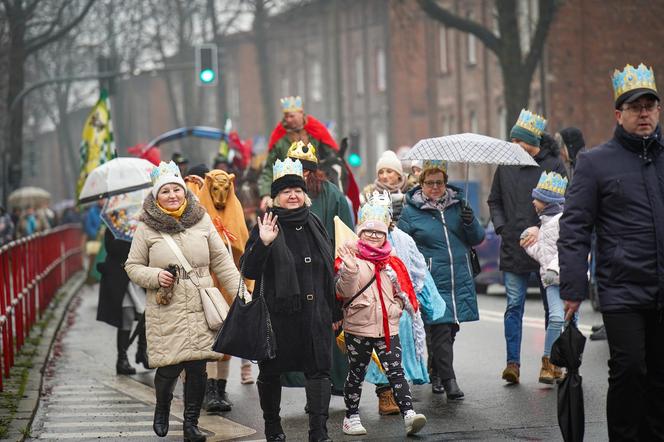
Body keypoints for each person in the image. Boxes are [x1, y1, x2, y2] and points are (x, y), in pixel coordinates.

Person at [559, 62, 664, 440]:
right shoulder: (595, 163)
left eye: (650, 106)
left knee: (658, 374)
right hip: (622, 288)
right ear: (619, 115)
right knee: (630, 368)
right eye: (635, 108)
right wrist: (572, 287)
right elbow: (574, 228)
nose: (644, 114)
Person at [125, 161, 243, 441]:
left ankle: (191, 423)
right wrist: (155, 276)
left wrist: (242, 293)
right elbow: (132, 266)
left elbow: (223, 262)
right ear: (156, 196)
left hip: (202, 303)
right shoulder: (146, 227)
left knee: (198, 367)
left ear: (185, 191)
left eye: (176, 190)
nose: (172, 195)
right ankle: (162, 408)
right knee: (169, 367)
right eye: (165, 191)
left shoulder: (201, 219)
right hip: (168, 306)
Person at [242, 157, 338, 442]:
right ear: (276, 197)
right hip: (278, 316)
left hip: (315, 315)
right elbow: (248, 269)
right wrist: (264, 243)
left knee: (319, 371)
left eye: (297, 190)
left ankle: (318, 433)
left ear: (304, 193)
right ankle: (273, 428)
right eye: (285, 191)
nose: (292, 195)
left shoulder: (315, 223)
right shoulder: (266, 224)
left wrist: (334, 312)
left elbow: (327, 271)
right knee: (271, 373)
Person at [336, 196, 427, 436]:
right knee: (356, 373)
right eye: (369, 232)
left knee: (396, 371)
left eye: (379, 232)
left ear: (386, 234)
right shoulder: (350, 256)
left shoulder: (393, 260)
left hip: (388, 326)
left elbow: (403, 291)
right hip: (358, 327)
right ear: (360, 232)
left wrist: (396, 306)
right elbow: (342, 293)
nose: (374, 236)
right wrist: (349, 270)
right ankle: (351, 416)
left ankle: (408, 414)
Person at [488, 109, 567, 384]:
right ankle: (513, 363)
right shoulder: (505, 165)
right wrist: (502, 227)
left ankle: (551, 362)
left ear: (533, 142)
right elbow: (494, 201)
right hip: (513, 245)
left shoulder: (554, 164)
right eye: (512, 141)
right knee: (514, 305)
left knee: (552, 308)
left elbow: (564, 203)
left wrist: (539, 226)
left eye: (520, 142)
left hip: (547, 248)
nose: (515, 147)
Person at [399, 160, 485, 399]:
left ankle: (436, 370)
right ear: (422, 183)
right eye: (429, 183)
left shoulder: (460, 205)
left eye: (439, 182)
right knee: (440, 329)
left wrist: (470, 221)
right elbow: (403, 245)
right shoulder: (410, 211)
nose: (435, 187)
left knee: (451, 328)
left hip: (459, 276)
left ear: (446, 183)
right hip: (431, 280)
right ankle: (450, 381)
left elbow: (476, 238)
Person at [184, 164, 255, 413]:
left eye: (225, 189)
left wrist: (245, 285)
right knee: (207, 337)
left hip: (228, 283)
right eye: (215, 189)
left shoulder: (235, 214)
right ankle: (209, 388)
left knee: (227, 337)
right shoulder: (196, 216)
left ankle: (221, 388)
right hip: (204, 283)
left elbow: (243, 248)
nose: (220, 195)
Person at [362, 191, 439, 416]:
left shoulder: (404, 239)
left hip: (398, 307)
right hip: (370, 308)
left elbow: (417, 269)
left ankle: (399, 393)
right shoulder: (360, 241)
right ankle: (383, 393)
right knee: (376, 351)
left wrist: (418, 298)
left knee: (398, 350)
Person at [258, 96, 359, 214]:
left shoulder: (315, 130)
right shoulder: (279, 138)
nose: (288, 119)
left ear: (301, 113)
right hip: (288, 187)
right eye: (286, 116)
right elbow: (269, 169)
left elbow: (331, 158)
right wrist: (265, 194)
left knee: (346, 204)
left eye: (292, 116)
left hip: (315, 183)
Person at [520, 171, 569, 384]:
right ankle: (548, 362)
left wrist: (554, 269)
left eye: (537, 198)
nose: (533, 201)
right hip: (551, 282)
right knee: (556, 318)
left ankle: (566, 363)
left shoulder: (563, 221)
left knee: (570, 323)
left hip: (567, 279)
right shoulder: (543, 224)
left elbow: (567, 249)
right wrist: (530, 245)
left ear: (547, 202)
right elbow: (544, 255)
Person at [96, 228, 148, 375]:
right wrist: (130, 241)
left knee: (147, 314)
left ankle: (142, 351)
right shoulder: (116, 225)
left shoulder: (145, 224)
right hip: (121, 276)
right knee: (127, 316)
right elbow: (111, 248)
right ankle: (122, 359)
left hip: (140, 275)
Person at [363, 150, 411, 221]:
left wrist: (405, 200)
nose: (384, 176)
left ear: (398, 174)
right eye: (381, 172)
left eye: (389, 171)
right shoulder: (369, 194)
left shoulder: (411, 191)